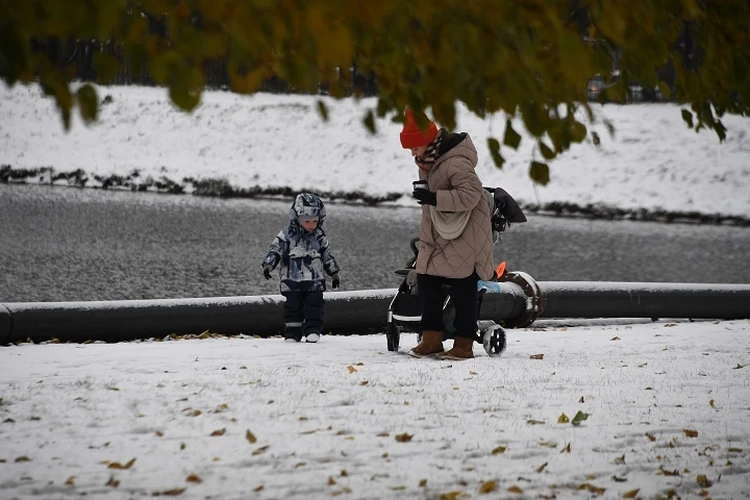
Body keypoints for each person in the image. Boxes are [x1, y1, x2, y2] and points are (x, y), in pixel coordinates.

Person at [400, 108, 494, 360]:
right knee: (426, 281)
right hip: (439, 232)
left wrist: (433, 197)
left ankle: (463, 345)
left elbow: (471, 195)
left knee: (463, 288)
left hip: (466, 234)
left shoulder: (456, 161)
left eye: (414, 147)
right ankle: (431, 340)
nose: (412, 153)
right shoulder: (428, 161)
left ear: (427, 141)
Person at [262, 193, 341, 343]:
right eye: (307, 221)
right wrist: (269, 264)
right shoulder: (286, 235)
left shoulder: (319, 236)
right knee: (292, 306)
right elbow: (275, 250)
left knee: (315, 305)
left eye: (314, 221)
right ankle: (292, 333)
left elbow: (327, 255)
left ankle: (313, 330)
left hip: (314, 280)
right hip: (292, 279)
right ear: (296, 219)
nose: (311, 225)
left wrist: (334, 272)